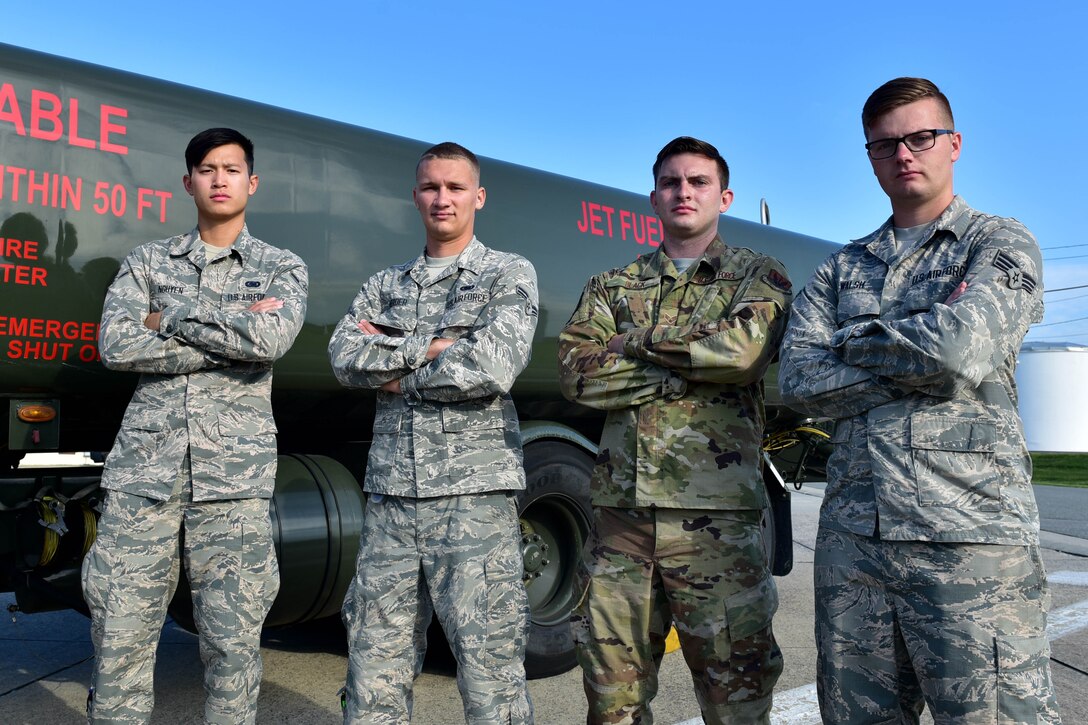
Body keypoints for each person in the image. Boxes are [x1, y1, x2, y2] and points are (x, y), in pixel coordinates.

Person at [778, 77, 1062, 723]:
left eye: (920, 136)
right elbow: (797, 380)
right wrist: (926, 358)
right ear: (871, 156)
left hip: (971, 542)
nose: (903, 153)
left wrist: (851, 341)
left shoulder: (998, 243)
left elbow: (961, 350)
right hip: (857, 545)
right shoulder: (840, 268)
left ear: (953, 143)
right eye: (884, 144)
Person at [558, 136, 791, 724]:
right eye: (670, 183)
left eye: (698, 182)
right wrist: (687, 373)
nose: (683, 192)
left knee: (735, 695)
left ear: (724, 196)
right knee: (611, 700)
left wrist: (631, 344)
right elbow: (578, 378)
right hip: (622, 524)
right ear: (654, 196)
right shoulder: (612, 284)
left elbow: (741, 356)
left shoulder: (756, 275)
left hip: (717, 527)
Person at [83, 127, 308, 723]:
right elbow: (116, 343)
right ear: (188, 183)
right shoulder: (148, 261)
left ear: (251, 183)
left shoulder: (281, 266)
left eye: (232, 169)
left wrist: (169, 316)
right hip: (144, 478)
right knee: (119, 637)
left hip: (233, 484)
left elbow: (270, 338)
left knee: (233, 647)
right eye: (207, 169)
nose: (219, 179)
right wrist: (228, 335)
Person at [329, 142, 537, 724]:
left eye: (453, 187)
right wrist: (437, 351)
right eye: (429, 187)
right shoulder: (385, 284)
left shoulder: (508, 273)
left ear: (478, 196)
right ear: (414, 195)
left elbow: (493, 367)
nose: (441, 199)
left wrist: (395, 372)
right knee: (373, 667)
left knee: (490, 673)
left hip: (473, 503)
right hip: (392, 502)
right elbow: (345, 357)